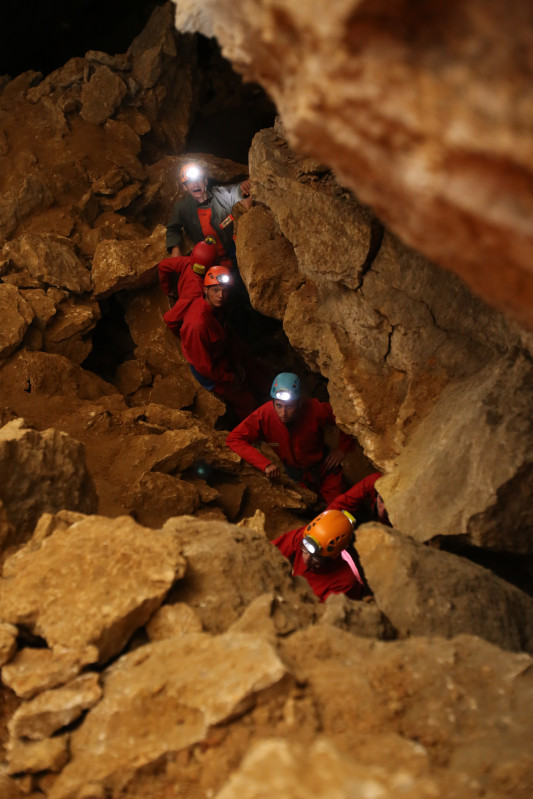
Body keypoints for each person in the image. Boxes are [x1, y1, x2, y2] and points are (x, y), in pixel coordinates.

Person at [225, 372, 354, 504]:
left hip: (325, 468)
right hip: (296, 476)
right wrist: (265, 464)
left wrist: (342, 450)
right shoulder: (265, 415)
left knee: (339, 508)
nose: (283, 413)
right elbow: (234, 439)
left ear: (298, 403)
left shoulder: (315, 409)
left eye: (289, 407)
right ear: (273, 402)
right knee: (311, 509)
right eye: (279, 405)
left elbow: (346, 418)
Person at [179, 265, 267, 420]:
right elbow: (204, 366)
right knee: (247, 401)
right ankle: (253, 435)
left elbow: (226, 336)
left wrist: (238, 360)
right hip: (211, 371)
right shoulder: (197, 324)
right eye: (216, 290)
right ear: (205, 290)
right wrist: (230, 378)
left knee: (257, 371)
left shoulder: (215, 308)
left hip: (222, 355)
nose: (221, 295)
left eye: (225, 291)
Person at [165, 161, 251, 269]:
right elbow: (173, 228)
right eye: (190, 182)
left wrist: (243, 187)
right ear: (185, 187)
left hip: (232, 252)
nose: (195, 185)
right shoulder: (182, 207)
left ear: (205, 181)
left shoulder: (220, 195)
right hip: (208, 262)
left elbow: (235, 190)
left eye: (198, 180)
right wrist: (175, 249)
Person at [271, 508, 364, 602]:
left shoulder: (344, 583)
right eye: (305, 550)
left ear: (333, 557)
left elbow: (318, 614)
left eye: (317, 557)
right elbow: (268, 551)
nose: (306, 559)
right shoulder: (307, 537)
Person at [158, 237, 218, 337]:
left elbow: (162, 265)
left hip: (184, 293)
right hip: (187, 304)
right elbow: (170, 319)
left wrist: (166, 289)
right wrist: (181, 336)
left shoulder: (188, 262)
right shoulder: (196, 291)